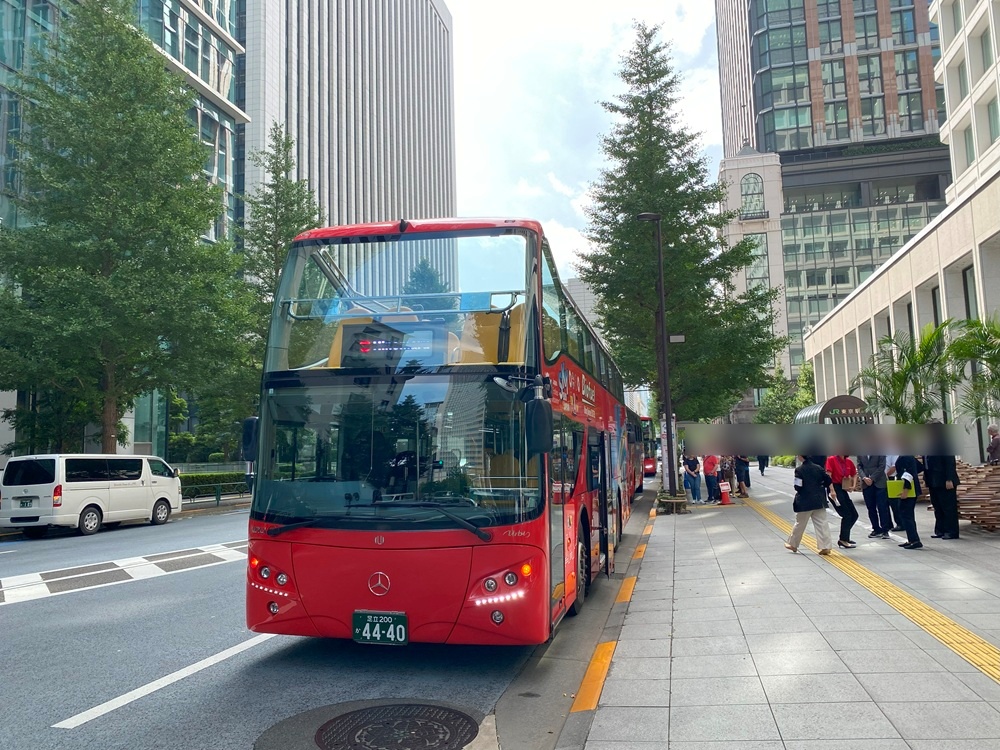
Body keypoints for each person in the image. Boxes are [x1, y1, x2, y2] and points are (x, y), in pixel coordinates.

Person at [785, 454, 833, 555]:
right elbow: (828, 480)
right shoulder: (819, 468)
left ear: (800, 457)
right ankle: (825, 547)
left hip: (805, 500)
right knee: (822, 524)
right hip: (819, 500)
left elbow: (797, 486)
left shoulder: (799, 470)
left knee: (800, 524)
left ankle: (793, 544)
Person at [924, 436, 961, 540]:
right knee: (937, 506)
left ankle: (951, 531)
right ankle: (940, 530)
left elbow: (950, 462)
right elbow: (927, 462)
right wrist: (925, 478)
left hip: (944, 480)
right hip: (933, 480)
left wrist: (949, 479)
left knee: (948, 507)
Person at [825, 454, 859, 548]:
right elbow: (828, 476)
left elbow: (854, 473)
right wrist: (832, 490)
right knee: (846, 514)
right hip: (834, 488)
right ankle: (843, 539)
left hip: (843, 488)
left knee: (854, 515)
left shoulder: (848, 462)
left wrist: (853, 485)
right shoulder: (831, 459)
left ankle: (845, 536)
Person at [857, 454, 891, 539]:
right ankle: (876, 528)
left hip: (879, 483)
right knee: (870, 507)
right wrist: (864, 477)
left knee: (882, 507)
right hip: (866, 484)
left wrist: (872, 478)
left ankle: (885, 530)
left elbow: (881, 466)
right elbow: (859, 466)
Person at [895, 454, 925, 549]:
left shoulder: (906, 456)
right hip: (909, 489)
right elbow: (919, 467)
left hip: (909, 490)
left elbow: (909, 473)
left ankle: (915, 540)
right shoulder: (907, 455)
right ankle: (911, 539)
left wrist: (905, 490)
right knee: (906, 514)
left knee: (907, 514)